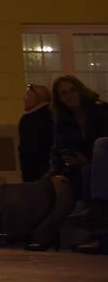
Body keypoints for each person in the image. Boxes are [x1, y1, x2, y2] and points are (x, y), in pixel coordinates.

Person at [27, 75, 108, 251]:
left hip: (98, 167)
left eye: (72, 90)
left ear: (80, 90)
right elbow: (58, 149)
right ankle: (32, 234)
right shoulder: (63, 120)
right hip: (74, 168)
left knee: (69, 190)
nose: (70, 96)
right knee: (47, 186)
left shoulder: (100, 111)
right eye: (63, 93)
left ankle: (41, 236)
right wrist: (56, 173)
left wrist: (87, 160)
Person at [19, 84, 54, 183]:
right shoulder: (53, 114)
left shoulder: (29, 119)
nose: (24, 98)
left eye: (27, 95)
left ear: (37, 97)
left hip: (36, 171)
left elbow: (28, 150)